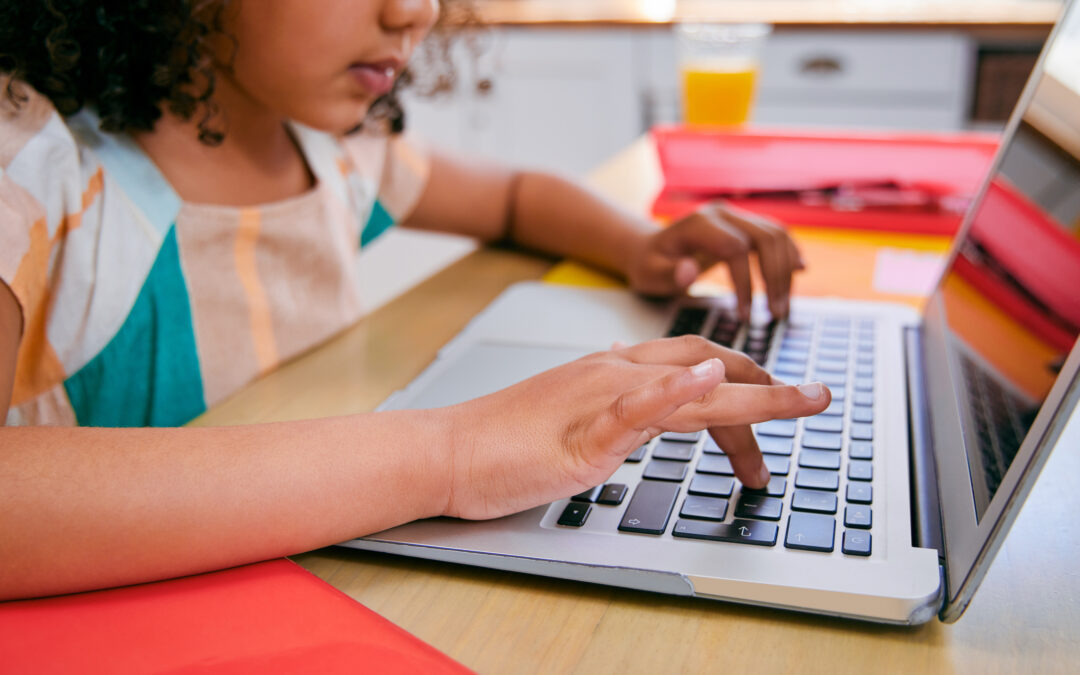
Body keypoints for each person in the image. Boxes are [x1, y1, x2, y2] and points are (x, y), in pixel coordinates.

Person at [0, 0, 829, 601]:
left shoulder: (338, 154)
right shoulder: (31, 161)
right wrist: (453, 452)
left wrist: (640, 245)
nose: (416, 12)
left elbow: (513, 196)